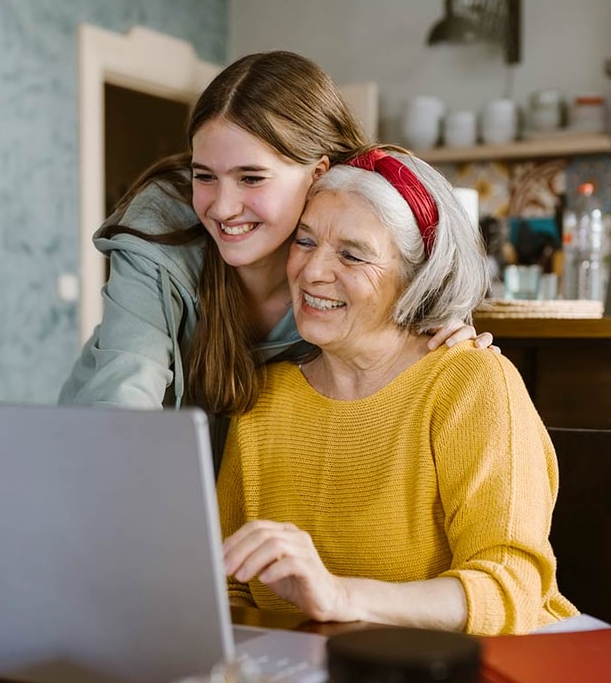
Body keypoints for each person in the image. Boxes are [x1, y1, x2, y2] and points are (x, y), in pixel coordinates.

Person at [58, 51, 492, 470]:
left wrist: (441, 332)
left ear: (318, 173)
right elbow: (123, 390)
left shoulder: (343, 271)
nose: (223, 208)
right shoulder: (164, 226)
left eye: (251, 178)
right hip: (126, 469)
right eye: (204, 175)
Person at [218, 146, 578, 635]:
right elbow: (230, 587)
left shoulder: (471, 385)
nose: (313, 271)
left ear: (416, 275)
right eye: (304, 242)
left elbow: (507, 591)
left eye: (352, 253)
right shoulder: (263, 399)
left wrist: (340, 595)